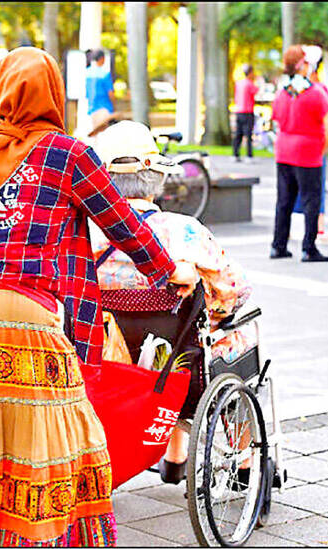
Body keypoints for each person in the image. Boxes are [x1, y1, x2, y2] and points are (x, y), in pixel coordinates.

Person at [0, 47, 197, 547]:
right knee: (57, 433)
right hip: (13, 306)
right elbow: (125, 226)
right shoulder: (67, 152)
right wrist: (172, 272)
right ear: (53, 94)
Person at [90, 120, 256, 484]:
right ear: (155, 179)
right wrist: (218, 311)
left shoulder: (89, 237)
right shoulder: (184, 231)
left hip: (112, 367)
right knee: (233, 336)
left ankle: (175, 457)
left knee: (179, 336)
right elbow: (236, 289)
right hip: (184, 371)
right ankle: (244, 465)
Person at [271, 45, 328, 263]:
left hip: (284, 150)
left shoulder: (282, 92)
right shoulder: (315, 92)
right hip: (308, 152)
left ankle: (278, 245)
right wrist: (324, 147)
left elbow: (275, 121)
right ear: (303, 65)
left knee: (284, 200)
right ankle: (308, 248)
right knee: (311, 200)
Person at [294, 46, 328, 247]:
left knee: (294, 188)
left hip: (293, 148)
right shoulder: (319, 90)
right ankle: (317, 230)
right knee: (315, 189)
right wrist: (325, 146)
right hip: (314, 146)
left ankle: (293, 228)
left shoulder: (292, 89)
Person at [232, 64, 259, 163]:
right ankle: (249, 155)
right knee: (248, 135)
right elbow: (256, 91)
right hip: (247, 112)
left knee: (238, 134)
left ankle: (235, 154)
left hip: (239, 111)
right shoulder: (250, 84)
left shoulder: (238, 83)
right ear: (250, 73)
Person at [85, 49, 115, 129]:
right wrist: (114, 104)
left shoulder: (87, 73)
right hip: (104, 108)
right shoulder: (105, 73)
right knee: (104, 134)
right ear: (102, 58)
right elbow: (110, 92)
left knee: (95, 134)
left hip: (92, 108)